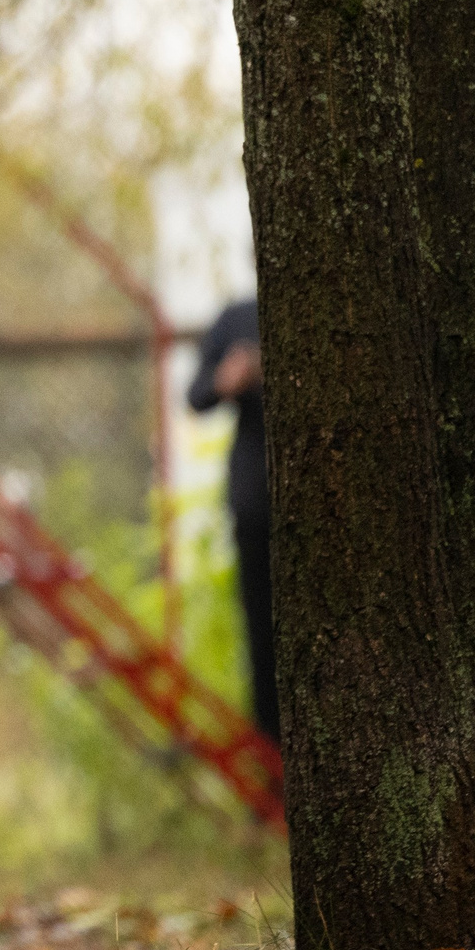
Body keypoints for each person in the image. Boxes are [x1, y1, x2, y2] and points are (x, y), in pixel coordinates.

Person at [187, 298, 274, 738]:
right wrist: (229, 379)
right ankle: (271, 762)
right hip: (255, 503)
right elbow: (196, 395)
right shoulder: (238, 318)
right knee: (261, 635)